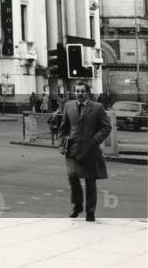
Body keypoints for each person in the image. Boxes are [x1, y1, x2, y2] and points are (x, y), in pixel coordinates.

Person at [57, 80, 111, 222]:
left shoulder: (98, 107)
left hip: (90, 150)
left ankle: (90, 211)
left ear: (88, 93)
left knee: (90, 181)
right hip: (72, 150)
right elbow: (63, 127)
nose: (79, 94)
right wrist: (61, 143)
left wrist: (95, 140)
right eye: (77, 91)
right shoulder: (68, 106)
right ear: (74, 92)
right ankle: (77, 205)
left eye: (82, 91)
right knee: (72, 177)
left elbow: (106, 127)